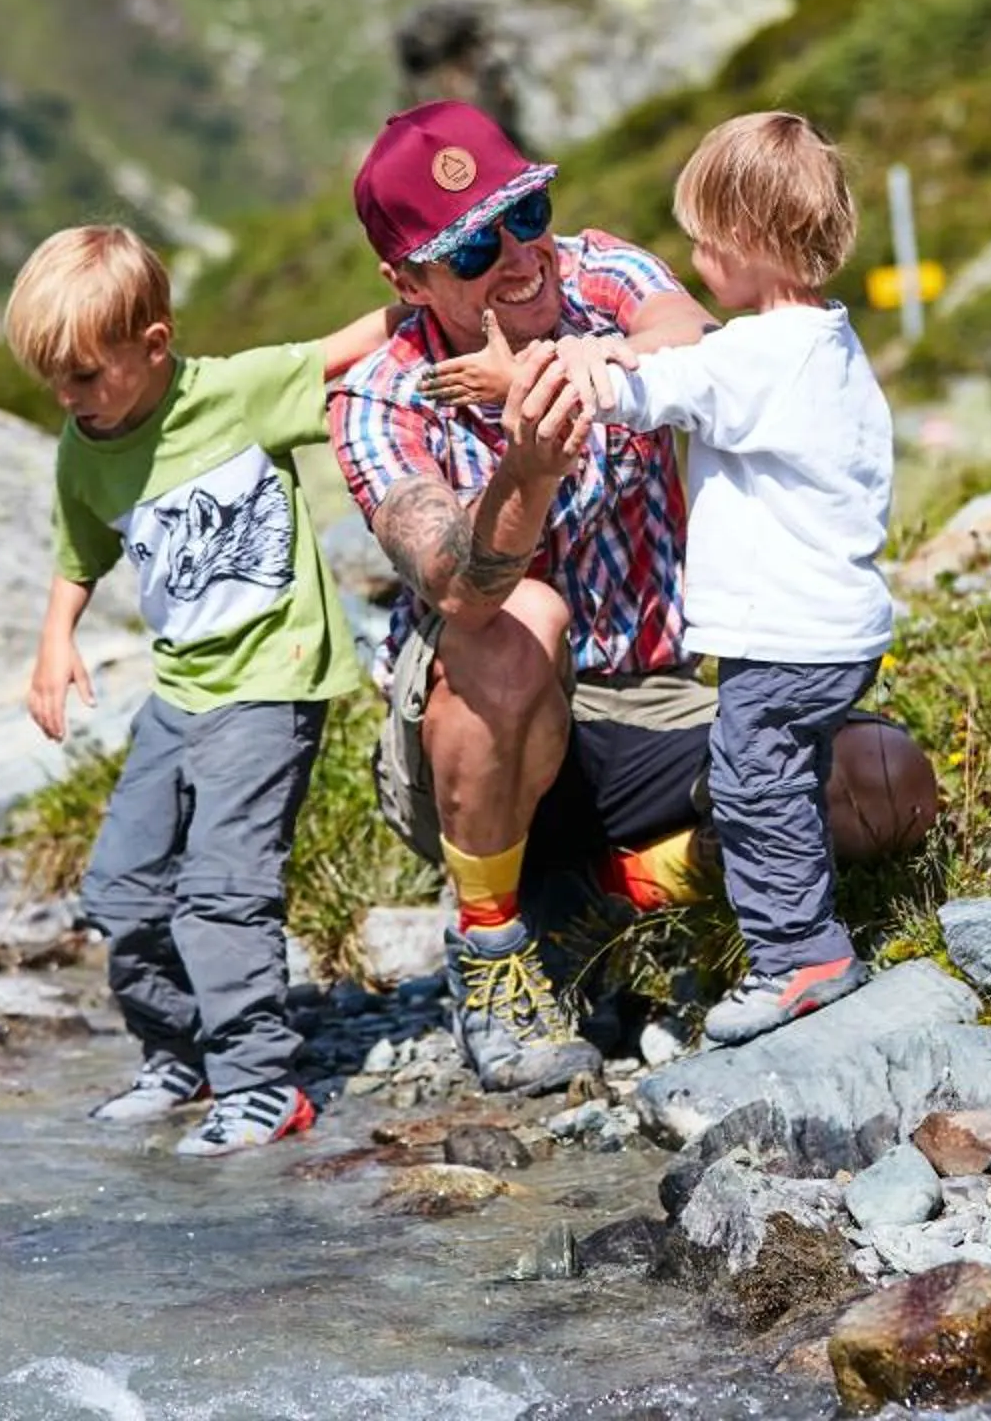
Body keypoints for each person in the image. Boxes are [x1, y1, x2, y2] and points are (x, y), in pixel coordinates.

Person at [330, 100, 938, 1093]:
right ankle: (491, 952)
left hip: (656, 699)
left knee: (887, 786)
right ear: (408, 280)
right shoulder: (378, 395)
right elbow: (454, 583)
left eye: (528, 213)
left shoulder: (596, 269)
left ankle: (607, 900)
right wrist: (527, 470)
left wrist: (550, 370)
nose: (522, 255)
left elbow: (687, 329)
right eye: (477, 245)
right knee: (522, 612)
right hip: (482, 724)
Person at [9, 224, 392, 1157]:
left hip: (272, 681)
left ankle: (262, 1084)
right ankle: (176, 1055)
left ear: (153, 344)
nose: (68, 399)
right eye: (52, 381)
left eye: (85, 377)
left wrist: (439, 287)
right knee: (123, 889)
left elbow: (353, 342)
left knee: (223, 890)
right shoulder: (82, 443)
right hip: (180, 692)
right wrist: (54, 641)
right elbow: (80, 551)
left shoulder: (234, 393)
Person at [581, 113, 894, 1044]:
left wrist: (578, 360)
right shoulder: (825, 343)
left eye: (706, 239)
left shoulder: (753, 357)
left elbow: (649, 393)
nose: (694, 256)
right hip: (834, 626)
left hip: (783, 631)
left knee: (756, 782)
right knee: (778, 776)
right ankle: (792, 928)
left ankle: (801, 955)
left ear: (754, 243)